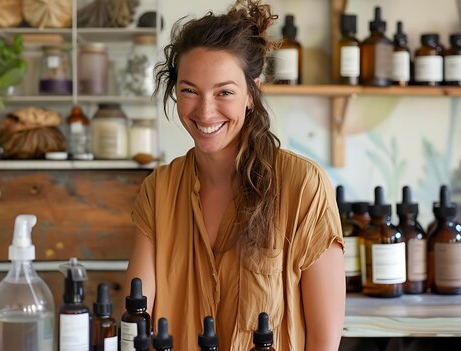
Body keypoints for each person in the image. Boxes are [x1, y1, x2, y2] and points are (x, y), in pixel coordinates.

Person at [126, 0, 345, 349]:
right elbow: (136, 318)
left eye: (224, 92)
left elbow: (323, 342)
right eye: (189, 91)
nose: (205, 111)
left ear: (251, 93)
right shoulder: (159, 191)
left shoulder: (303, 187)